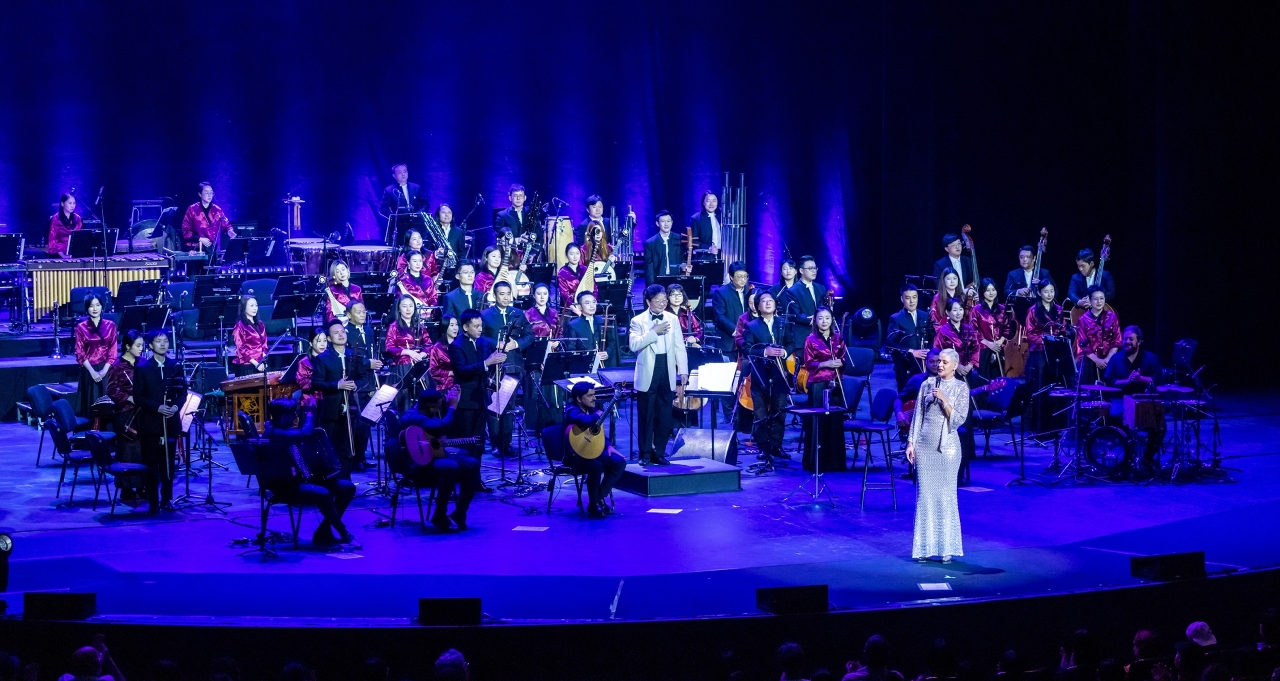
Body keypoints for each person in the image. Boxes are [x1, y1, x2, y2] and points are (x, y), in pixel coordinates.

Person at [261, 399, 356, 546]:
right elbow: (304, 433)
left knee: (347, 488)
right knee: (323, 493)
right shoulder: (273, 433)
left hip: (298, 481)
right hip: (284, 487)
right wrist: (311, 413)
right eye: (293, 414)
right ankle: (344, 533)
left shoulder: (284, 430)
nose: (295, 417)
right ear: (284, 416)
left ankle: (323, 533)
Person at [906, 347, 969, 563]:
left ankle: (946, 549)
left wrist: (944, 399)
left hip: (948, 449)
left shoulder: (961, 388)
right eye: (938, 361)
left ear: (954, 366)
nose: (939, 365)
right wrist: (911, 443)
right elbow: (918, 415)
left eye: (944, 362)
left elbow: (958, 420)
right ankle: (924, 548)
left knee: (946, 496)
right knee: (925, 496)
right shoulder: (927, 384)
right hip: (925, 447)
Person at [396, 388, 481, 530]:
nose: (440, 409)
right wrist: (452, 406)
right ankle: (439, 514)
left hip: (434, 458)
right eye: (439, 405)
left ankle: (460, 512)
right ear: (431, 407)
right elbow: (443, 426)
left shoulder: (428, 415)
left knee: (471, 464)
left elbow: (442, 431)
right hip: (418, 466)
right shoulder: (413, 417)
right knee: (450, 466)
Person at [630, 284, 688, 466]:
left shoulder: (672, 318)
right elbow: (634, 345)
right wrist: (653, 332)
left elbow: (679, 346)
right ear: (648, 302)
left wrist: (683, 370)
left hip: (667, 368)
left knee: (664, 413)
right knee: (646, 414)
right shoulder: (638, 321)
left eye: (664, 300)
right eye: (658, 300)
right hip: (648, 369)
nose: (663, 303)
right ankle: (645, 453)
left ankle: (660, 452)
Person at [310, 319, 369, 475]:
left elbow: (364, 378)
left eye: (342, 331)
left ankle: (346, 479)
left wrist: (356, 384)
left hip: (351, 409)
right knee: (329, 447)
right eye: (336, 333)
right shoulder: (323, 358)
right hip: (331, 410)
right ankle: (330, 481)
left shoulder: (354, 355)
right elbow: (315, 383)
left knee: (348, 448)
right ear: (329, 338)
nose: (341, 335)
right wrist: (337, 385)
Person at [480, 281, 532, 458]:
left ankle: (507, 443)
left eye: (508, 293)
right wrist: (498, 344)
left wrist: (515, 343)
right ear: (495, 295)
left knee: (509, 405)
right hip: (494, 367)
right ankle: (496, 443)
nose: (505, 297)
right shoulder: (485, 315)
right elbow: (480, 337)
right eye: (501, 294)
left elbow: (529, 335)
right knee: (495, 405)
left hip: (513, 366)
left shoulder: (518, 313)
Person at [133, 329, 182, 514]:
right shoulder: (142, 368)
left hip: (170, 423)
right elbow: (138, 397)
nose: (162, 344)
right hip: (151, 424)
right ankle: (153, 501)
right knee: (151, 464)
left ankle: (167, 498)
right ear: (151, 345)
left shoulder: (175, 366)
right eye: (158, 341)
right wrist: (157, 407)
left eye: (165, 341)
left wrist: (175, 407)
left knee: (168, 464)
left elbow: (182, 392)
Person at [743, 291, 795, 462]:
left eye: (770, 300)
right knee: (760, 414)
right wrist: (765, 352)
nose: (767, 303)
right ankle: (763, 448)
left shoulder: (783, 323)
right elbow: (747, 349)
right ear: (757, 306)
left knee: (779, 411)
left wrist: (784, 352)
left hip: (780, 374)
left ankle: (776, 446)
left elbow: (791, 343)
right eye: (763, 301)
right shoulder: (752, 326)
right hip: (760, 375)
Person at [563, 382, 628, 517]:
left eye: (594, 395)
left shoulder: (592, 410)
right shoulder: (571, 410)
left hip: (592, 451)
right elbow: (582, 420)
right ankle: (594, 505)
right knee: (595, 466)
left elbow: (599, 432)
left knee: (619, 462)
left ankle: (597, 498)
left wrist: (608, 445)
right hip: (575, 456)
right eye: (590, 396)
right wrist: (598, 415)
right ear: (578, 399)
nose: (594, 398)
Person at [448, 309, 506, 456]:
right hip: (466, 401)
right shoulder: (456, 345)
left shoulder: (483, 342)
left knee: (479, 442)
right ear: (465, 327)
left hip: (481, 398)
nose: (480, 329)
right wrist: (487, 362)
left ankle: (476, 470)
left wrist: (497, 362)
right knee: (466, 441)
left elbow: (487, 366)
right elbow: (463, 370)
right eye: (476, 326)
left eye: (481, 325)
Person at [803, 307, 849, 471]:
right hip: (818, 384)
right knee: (819, 422)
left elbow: (843, 360)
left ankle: (835, 463)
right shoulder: (810, 340)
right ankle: (817, 463)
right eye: (820, 318)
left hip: (835, 383)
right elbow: (808, 364)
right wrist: (825, 363)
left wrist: (840, 363)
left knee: (835, 422)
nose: (824, 321)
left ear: (832, 320)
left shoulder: (839, 339)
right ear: (815, 320)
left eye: (827, 318)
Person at [106, 329, 145, 500]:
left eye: (142, 345)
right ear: (128, 346)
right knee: (128, 450)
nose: (141, 349)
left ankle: (142, 485)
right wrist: (128, 397)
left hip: (143, 412)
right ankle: (126, 488)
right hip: (125, 413)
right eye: (138, 345)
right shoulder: (117, 367)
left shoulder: (144, 363)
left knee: (142, 451)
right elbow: (111, 391)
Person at [74, 293, 118, 415]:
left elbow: (113, 350)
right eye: (91, 306)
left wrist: (104, 370)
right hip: (89, 369)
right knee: (91, 403)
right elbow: (79, 352)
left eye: (97, 305)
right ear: (86, 308)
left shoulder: (110, 325)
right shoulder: (81, 327)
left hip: (106, 368)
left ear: (102, 306)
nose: (95, 309)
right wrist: (92, 372)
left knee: (107, 404)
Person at [888, 284, 932, 389]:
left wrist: (929, 350)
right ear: (902, 299)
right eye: (908, 298)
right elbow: (890, 342)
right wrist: (912, 351)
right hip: (905, 364)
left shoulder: (925, 315)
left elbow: (932, 337)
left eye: (914, 297)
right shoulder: (896, 318)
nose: (912, 301)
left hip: (925, 363)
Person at [1024, 281, 1068, 388]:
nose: (1049, 295)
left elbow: (1063, 328)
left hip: (1056, 351)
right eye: (1046, 292)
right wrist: (1047, 342)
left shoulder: (1058, 309)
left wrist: (1061, 337)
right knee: (1040, 381)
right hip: (1039, 350)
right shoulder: (1032, 311)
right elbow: (1030, 333)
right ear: (1039, 293)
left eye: (1052, 291)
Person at [1076, 285, 1121, 384]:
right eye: (1096, 299)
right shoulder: (1083, 319)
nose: (1099, 302)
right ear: (1090, 300)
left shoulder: (1112, 317)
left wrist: (1107, 359)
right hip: (1090, 360)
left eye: (1101, 298)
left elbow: (1117, 341)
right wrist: (1097, 360)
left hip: (1109, 359)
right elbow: (1083, 344)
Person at [783, 254, 829, 349]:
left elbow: (824, 307)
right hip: (803, 337)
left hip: (821, 335)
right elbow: (796, 314)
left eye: (815, 268)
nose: (814, 271)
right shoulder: (793, 291)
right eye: (810, 268)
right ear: (801, 270)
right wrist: (813, 319)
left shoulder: (821, 288)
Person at [971, 278, 1012, 380]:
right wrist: (989, 344)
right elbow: (973, 331)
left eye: (993, 290)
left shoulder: (1002, 309)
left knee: (999, 379)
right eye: (988, 290)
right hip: (983, 349)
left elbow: (1007, 328)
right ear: (982, 292)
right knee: (984, 380)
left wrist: (1000, 341)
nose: (991, 293)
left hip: (999, 348)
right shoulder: (976, 310)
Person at [566, 290, 618, 367]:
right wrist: (589, 355)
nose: (592, 306)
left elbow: (611, 342)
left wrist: (607, 353)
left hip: (603, 365)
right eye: (587, 303)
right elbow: (570, 350)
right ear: (579, 307)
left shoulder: (603, 320)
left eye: (594, 302)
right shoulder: (573, 325)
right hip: (584, 366)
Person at [385, 294, 427, 387]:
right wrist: (408, 352)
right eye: (404, 306)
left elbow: (429, 345)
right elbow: (389, 348)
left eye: (411, 306)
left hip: (418, 365)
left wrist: (421, 354)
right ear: (399, 309)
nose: (408, 309)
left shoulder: (419, 326)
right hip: (402, 367)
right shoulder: (393, 327)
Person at [180, 182, 235, 253]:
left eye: (211, 193)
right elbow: (185, 230)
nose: (209, 195)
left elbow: (226, 225)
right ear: (200, 194)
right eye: (206, 192)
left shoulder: (217, 210)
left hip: (211, 249)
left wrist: (230, 232)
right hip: (195, 248)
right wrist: (200, 239)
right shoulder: (192, 209)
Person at [933, 299, 980, 380]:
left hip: (968, 369)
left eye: (961, 309)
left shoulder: (969, 328)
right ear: (947, 312)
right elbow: (937, 351)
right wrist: (956, 365)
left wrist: (970, 365)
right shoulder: (943, 331)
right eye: (955, 310)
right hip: (950, 371)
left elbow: (976, 348)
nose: (958, 313)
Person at [711, 261, 752, 354]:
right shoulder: (721, 292)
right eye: (739, 277)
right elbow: (719, 316)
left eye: (745, 276)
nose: (743, 280)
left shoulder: (749, 291)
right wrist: (737, 331)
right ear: (731, 277)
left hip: (747, 340)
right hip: (728, 341)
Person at [282, 331, 328, 409]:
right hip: (310, 401)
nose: (323, 344)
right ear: (311, 343)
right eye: (319, 341)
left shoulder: (329, 360)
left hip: (327, 398)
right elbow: (303, 383)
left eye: (325, 340)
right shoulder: (304, 362)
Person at [644, 209, 690, 283]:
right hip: (659, 280)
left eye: (668, 221)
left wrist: (685, 267)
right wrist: (651, 286)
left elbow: (682, 259)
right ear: (657, 223)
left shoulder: (679, 239)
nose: (666, 224)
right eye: (663, 221)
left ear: (672, 222)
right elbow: (649, 268)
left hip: (676, 279)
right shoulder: (650, 243)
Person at [230, 295, 268, 377]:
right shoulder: (239, 326)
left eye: (256, 305)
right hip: (247, 364)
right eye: (251, 306)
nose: (255, 308)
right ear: (244, 307)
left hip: (261, 362)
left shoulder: (260, 324)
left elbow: (264, 345)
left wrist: (263, 361)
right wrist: (256, 364)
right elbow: (241, 348)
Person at [557, 242, 597, 312]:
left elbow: (595, 287)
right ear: (567, 255)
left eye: (577, 253)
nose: (575, 257)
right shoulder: (562, 272)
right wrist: (574, 307)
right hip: (572, 307)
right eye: (572, 254)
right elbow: (565, 295)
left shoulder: (585, 269)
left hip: (588, 305)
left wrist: (593, 301)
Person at [428, 314, 458, 392]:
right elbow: (433, 371)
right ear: (445, 327)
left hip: (461, 384)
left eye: (456, 324)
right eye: (452, 325)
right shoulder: (437, 348)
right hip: (446, 387)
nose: (455, 328)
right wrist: (450, 373)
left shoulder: (461, 344)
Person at [47, 192, 83, 258]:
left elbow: (79, 237)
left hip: (74, 252)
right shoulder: (56, 219)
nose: (72, 206)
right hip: (58, 253)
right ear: (62, 204)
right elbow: (53, 240)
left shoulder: (77, 218)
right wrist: (63, 256)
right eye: (70, 203)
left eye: (74, 203)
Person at [688, 190, 722, 255]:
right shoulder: (696, 219)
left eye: (714, 201)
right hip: (705, 256)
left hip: (725, 255)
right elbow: (693, 241)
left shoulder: (722, 216)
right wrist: (708, 248)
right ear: (703, 202)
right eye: (708, 201)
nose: (711, 204)